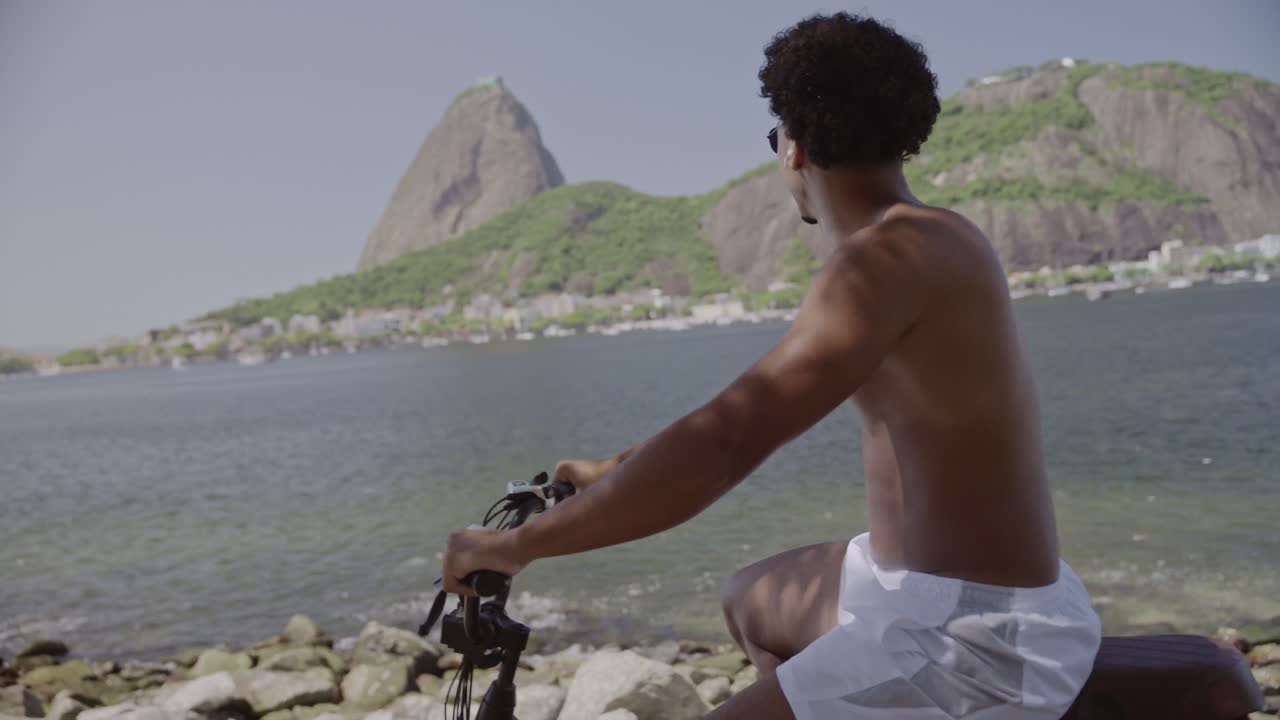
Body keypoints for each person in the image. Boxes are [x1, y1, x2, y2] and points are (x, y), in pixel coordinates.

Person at [442, 11, 1102, 719]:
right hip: (910, 586)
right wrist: (613, 470)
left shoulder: (887, 263)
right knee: (750, 599)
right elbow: (742, 409)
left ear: (793, 148)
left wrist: (520, 545)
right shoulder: (918, 243)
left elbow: (726, 446)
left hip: (974, 639)